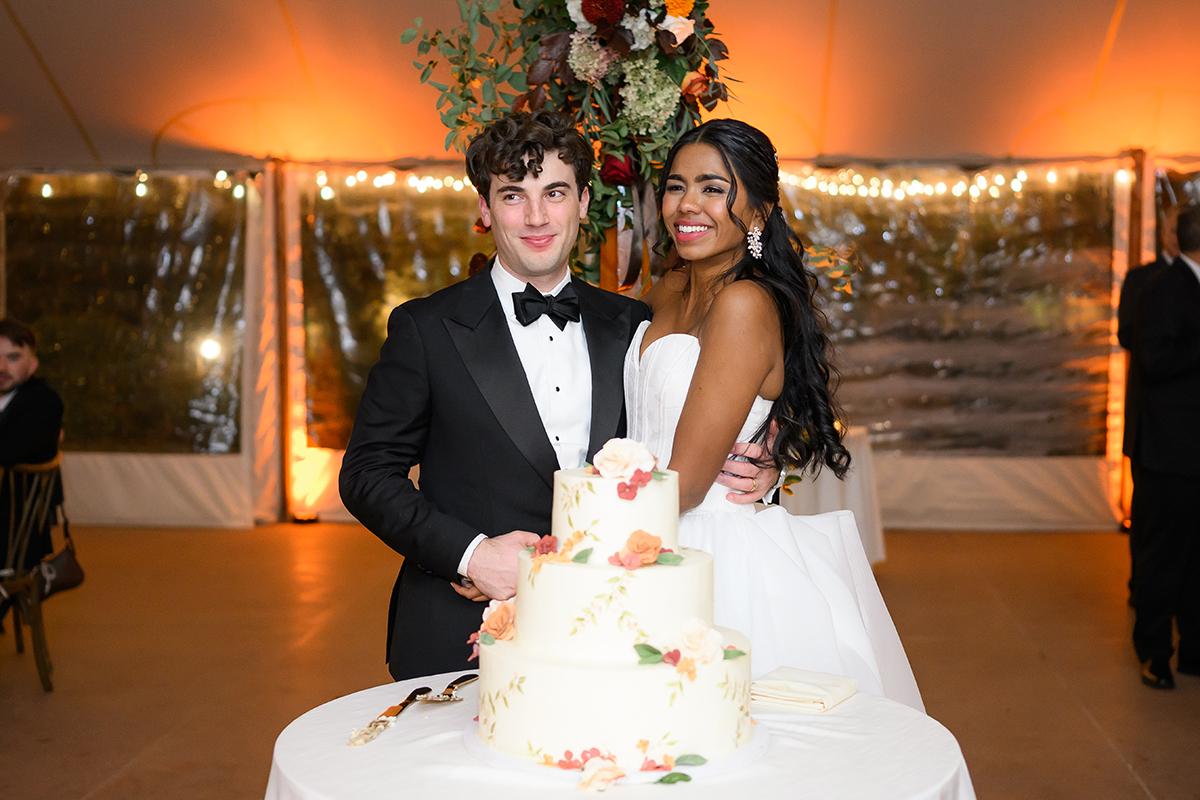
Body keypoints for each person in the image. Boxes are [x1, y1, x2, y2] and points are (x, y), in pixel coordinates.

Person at [339, 111, 776, 681]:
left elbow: (713, 392)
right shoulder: (426, 328)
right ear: (484, 208)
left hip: (616, 625)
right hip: (460, 629)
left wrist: (768, 451)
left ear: (584, 202)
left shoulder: (632, 323)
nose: (538, 216)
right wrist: (470, 553)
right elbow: (368, 474)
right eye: (513, 195)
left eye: (555, 192)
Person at [626, 119, 923, 710]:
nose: (688, 204)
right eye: (676, 185)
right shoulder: (664, 291)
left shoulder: (743, 303)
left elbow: (683, 484)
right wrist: (774, 435)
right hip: (645, 529)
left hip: (706, 549)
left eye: (713, 187)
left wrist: (571, 536)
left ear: (758, 213)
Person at [1128, 204, 1200, 689]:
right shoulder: (1161, 288)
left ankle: (1195, 650)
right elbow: (1152, 360)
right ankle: (1154, 652)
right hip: (1170, 449)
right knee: (1163, 556)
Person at [1117, 199, 1178, 601]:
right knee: (1150, 520)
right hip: (1152, 425)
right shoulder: (1143, 280)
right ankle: (1144, 586)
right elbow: (1126, 336)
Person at [0, 318, 64, 572]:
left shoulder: (43, 403)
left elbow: (6, 450)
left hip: (14, 533)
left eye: (13, 358)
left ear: (33, 364)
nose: (1, 366)